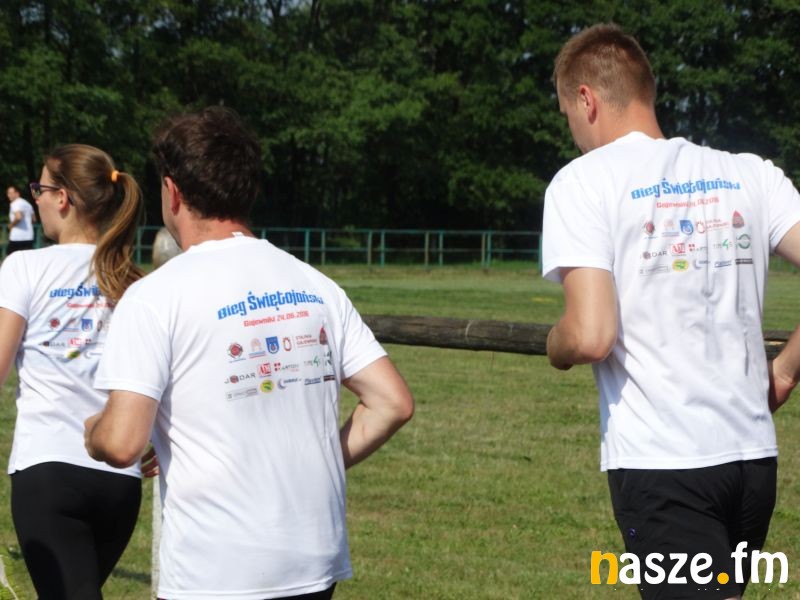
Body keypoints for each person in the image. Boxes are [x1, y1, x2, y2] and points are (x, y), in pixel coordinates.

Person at [84, 107, 414, 600]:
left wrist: (93, 431)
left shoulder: (155, 296)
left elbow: (121, 443)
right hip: (312, 561)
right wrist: (313, 465)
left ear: (172, 192)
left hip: (217, 572)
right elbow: (392, 403)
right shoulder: (314, 284)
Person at [542, 23, 800, 600]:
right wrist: (783, 371)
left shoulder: (581, 183)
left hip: (664, 463)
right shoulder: (750, 172)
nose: (573, 133)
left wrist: (554, 343)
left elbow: (589, 335)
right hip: (752, 461)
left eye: (567, 115)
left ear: (586, 99)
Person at [0, 145, 146, 599]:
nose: (37, 198)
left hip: (47, 471)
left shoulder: (24, 267)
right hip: (120, 480)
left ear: (62, 198)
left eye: (40, 189)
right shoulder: (133, 280)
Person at [6, 184, 35, 254]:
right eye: (8, 193)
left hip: (17, 238)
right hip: (29, 237)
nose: (9, 195)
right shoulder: (27, 204)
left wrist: (10, 225)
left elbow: (18, 217)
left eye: (11, 193)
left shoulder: (15, 203)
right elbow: (34, 219)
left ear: (17, 193)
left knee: (10, 258)